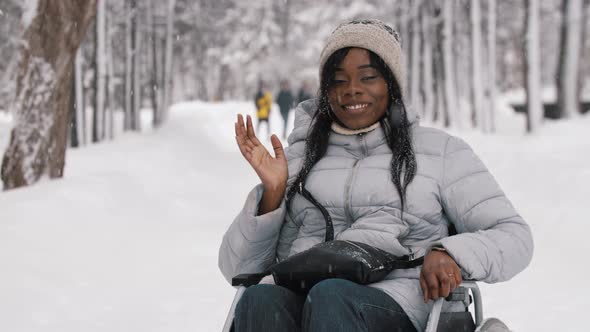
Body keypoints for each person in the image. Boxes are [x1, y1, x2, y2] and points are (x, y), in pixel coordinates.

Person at [220, 19, 533, 332]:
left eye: (368, 77)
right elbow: (237, 268)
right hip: (304, 301)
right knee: (258, 300)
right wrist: (272, 195)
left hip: (400, 305)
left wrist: (449, 253)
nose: (352, 89)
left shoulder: (440, 153)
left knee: (331, 297)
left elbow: (514, 236)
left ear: (391, 83)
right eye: (338, 80)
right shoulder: (300, 159)